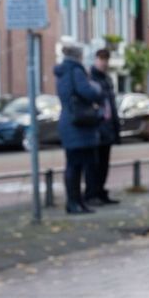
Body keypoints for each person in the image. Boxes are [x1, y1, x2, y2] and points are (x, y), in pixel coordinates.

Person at [55, 40, 103, 215]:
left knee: (74, 164)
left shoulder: (62, 72)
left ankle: (76, 202)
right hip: (79, 123)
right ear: (79, 55)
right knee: (76, 165)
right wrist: (96, 88)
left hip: (69, 122)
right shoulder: (76, 71)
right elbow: (88, 92)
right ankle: (74, 203)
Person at [85, 48, 121, 206]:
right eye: (101, 59)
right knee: (93, 163)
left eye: (106, 59)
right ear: (95, 59)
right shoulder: (89, 78)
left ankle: (100, 191)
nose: (104, 62)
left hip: (108, 128)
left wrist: (115, 127)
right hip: (96, 128)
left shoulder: (107, 79)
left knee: (104, 163)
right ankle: (91, 193)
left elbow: (111, 105)